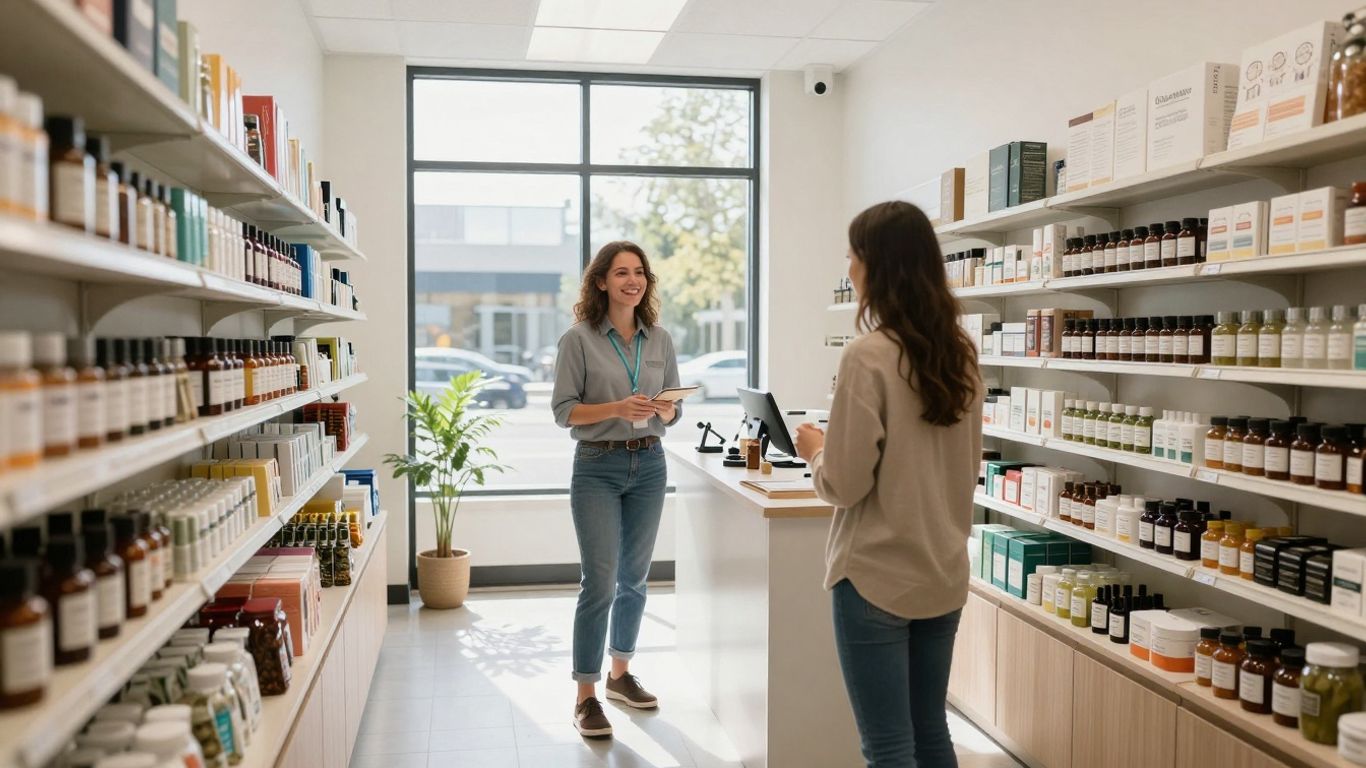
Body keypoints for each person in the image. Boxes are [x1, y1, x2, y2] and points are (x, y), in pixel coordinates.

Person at [794, 201, 982, 768]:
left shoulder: (868, 356)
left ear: (878, 266)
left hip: (875, 575)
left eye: (853, 256)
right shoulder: (962, 354)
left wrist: (816, 451)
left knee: (888, 746)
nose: (849, 268)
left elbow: (844, 486)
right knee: (930, 732)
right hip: (942, 571)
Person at [551, 240, 683, 738]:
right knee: (600, 582)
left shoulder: (660, 339)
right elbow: (564, 411)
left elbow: (672, 405)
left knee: (635, 579)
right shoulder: (579, 340)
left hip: (650, 463)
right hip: (597, 468)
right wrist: (616, 408)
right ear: (601, 281)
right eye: (621, 272)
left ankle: (620, 675)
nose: (633, 280)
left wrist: (667, 409)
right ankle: (585, 695)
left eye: (640, 272)